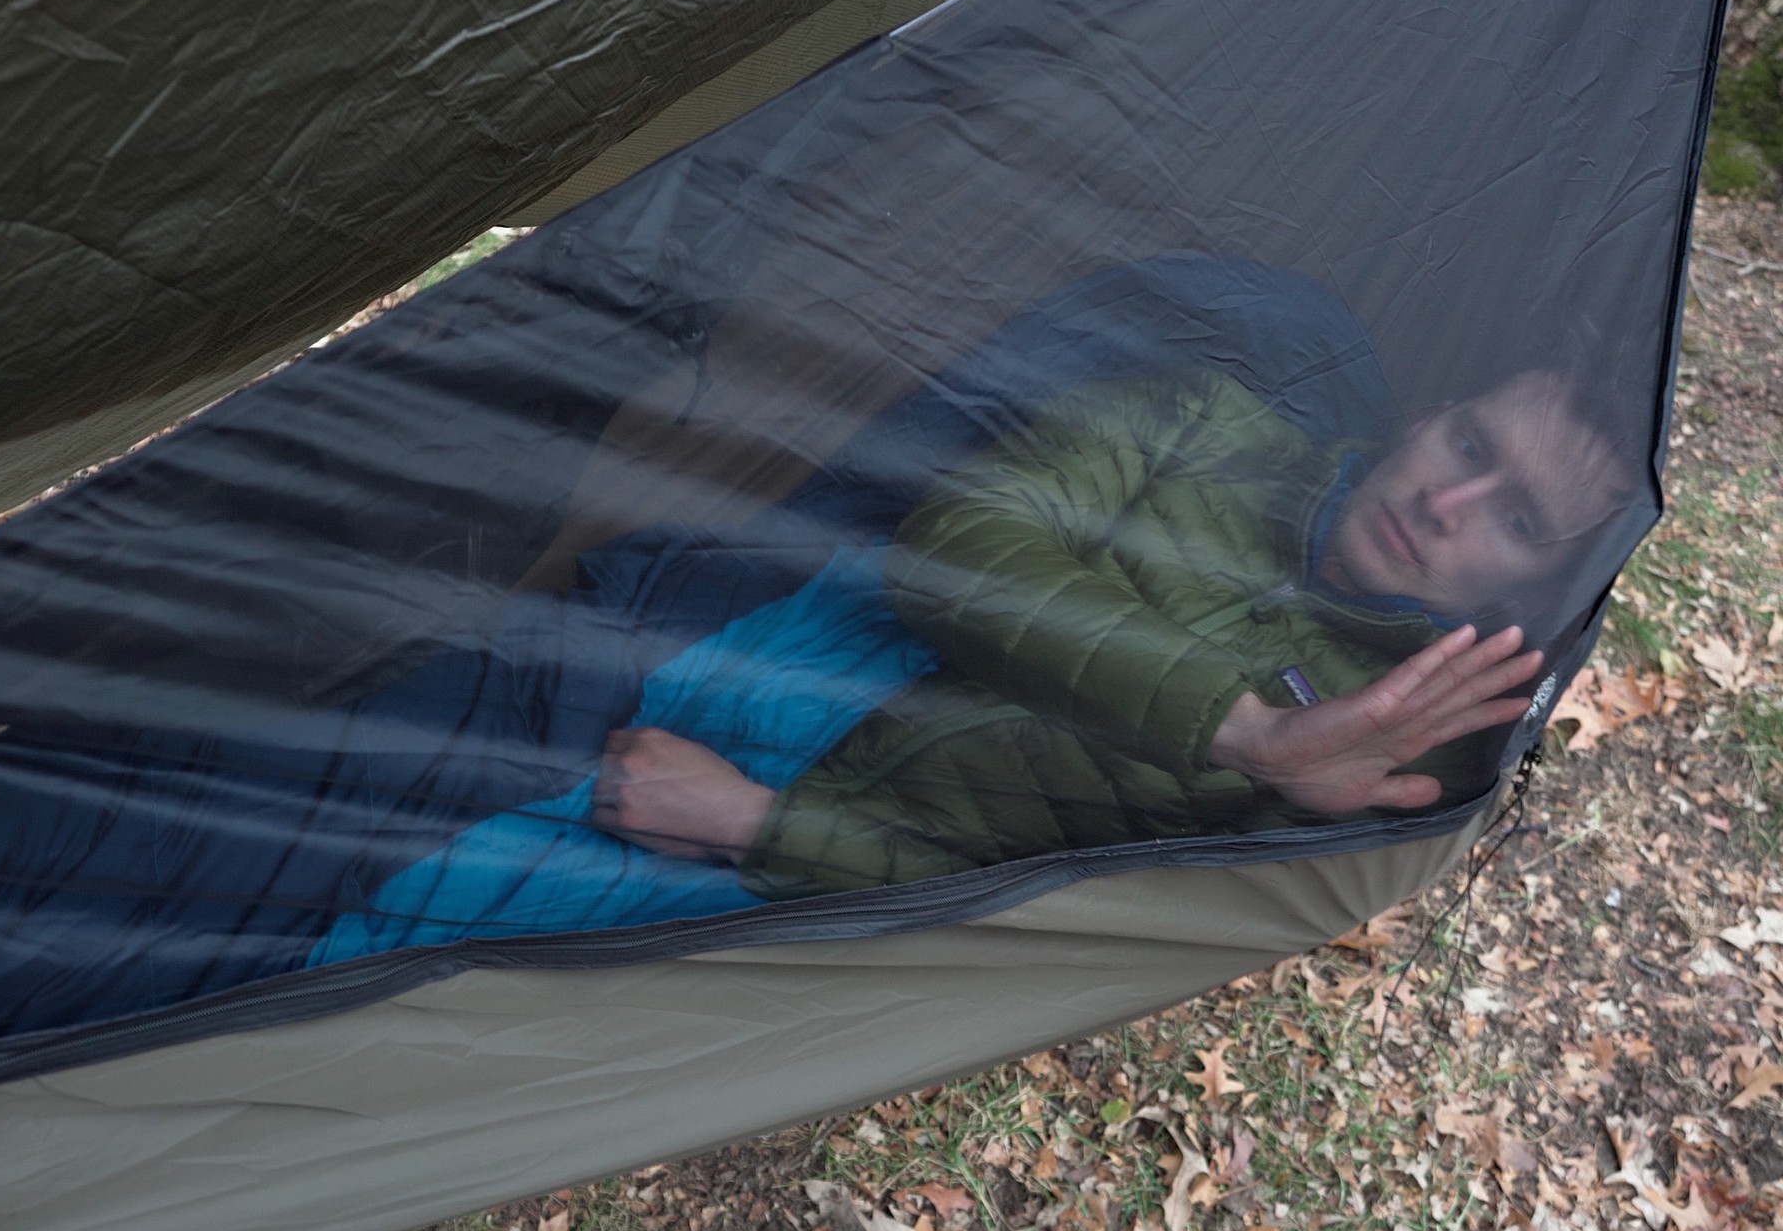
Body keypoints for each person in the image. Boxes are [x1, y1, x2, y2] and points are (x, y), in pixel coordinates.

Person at [590, 366, 1632, 895]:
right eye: (1467, 443)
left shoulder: (1410, 757)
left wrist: (762, 828)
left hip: (796, 883)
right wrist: (1245, 732)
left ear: (1539, 583)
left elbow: (1083, 926)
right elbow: (955, 544)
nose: (1448, 503)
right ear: (1429, 414)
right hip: (709, 645)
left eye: (1516, 517)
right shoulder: (1201, 420)